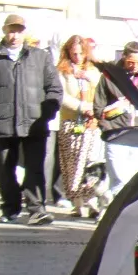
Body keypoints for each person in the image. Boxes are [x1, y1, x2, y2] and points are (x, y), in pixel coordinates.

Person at [0, 14, 62, 225]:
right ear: (4, 31)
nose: (15, 35)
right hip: (3, 123)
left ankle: (36, 210)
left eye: (19, 30)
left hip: (34, 123)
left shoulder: (40, 57)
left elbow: (54, 89)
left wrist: (47, 114)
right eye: (11, 30)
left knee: (35, 168)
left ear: (25, 32)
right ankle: (10, 208)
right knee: (6, 169)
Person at [54, 35, 105, 218]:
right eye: (73, 53)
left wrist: (94, 109)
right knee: (71, 164)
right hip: (70, 122)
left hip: (91, 123)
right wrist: (82, 107)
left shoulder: (94, 71)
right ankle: (77, 203)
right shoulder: (62, 72)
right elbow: (61, 96)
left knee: (89, 163)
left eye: (81, 53)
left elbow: (101, 91)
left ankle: (91, 201)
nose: (77, 57)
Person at [95, 41, 138, 136]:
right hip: (115, 133)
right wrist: (108, 126)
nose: (135, 66)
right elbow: (98, 109)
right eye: (131, 62)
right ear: (123, 57)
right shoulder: (109, 77)